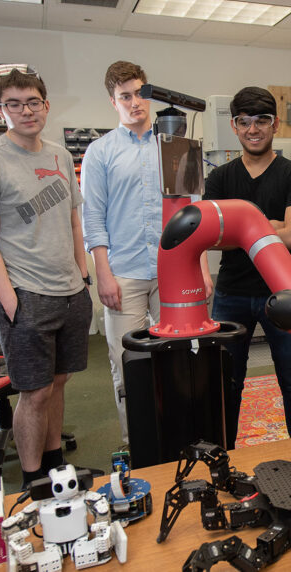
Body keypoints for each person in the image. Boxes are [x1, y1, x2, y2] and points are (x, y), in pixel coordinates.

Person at [0, 65, 93, 488]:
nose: (25, 111)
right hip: (26, 293)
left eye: (32, 102)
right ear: (0, 110)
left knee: (58, 383)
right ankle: (34, 481)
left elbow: (74, 221)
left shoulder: (58, 154)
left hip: (71, 289)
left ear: (46, 105)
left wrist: (83, 275)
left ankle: (55, 467)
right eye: (13, 104)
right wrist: (12, 301)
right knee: (33, 392)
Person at [80, 61, 211, 445]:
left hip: (176, 272)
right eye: (125, 96)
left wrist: (202, 270)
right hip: (125, 273)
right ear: (113, 102)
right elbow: (93, 218)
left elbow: (195, 214)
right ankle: (136, 442)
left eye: (140, 93)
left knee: (182, 356)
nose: (135, 102)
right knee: (129, 364)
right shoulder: (99, 153)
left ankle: (180, 437)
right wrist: (103, 274)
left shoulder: (178, 148)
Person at [204, 86, 291, 448]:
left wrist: (240, 227)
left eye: (262, 120)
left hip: (284, 293)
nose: (253, 129)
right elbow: (211, 237)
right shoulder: (219, 178)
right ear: (234, 126)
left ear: (275, 124)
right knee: (226, 381)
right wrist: (270, 227)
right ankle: (225, 452)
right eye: (244, 121)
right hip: (232, 292)